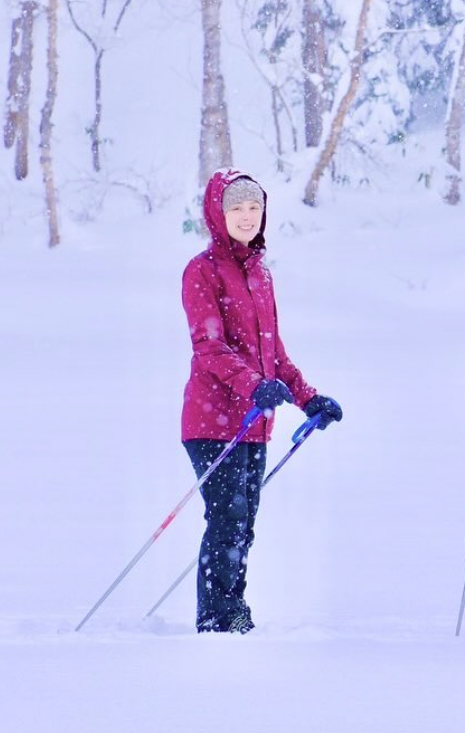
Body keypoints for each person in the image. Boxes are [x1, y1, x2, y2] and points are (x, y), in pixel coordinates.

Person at [181, 168, 342, 633]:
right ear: (218, 213)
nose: (247, 216)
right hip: (213, 421)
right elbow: (209, 347)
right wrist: (254, 385)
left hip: (256, 420)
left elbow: (275, 355)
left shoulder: (261, 275)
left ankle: (235, 610)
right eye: (236, 207)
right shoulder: (202, 271)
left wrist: (310, 399)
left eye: (254, 207)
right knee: (228, 518)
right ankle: (217, 617)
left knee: (243, 522)